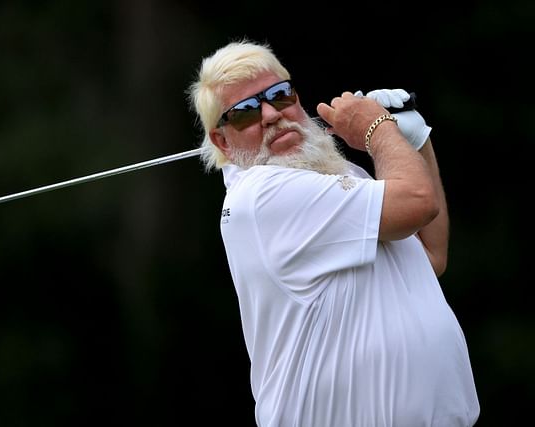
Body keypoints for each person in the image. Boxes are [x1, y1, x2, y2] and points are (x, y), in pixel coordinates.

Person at [187, 39, 480, 427]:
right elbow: (417, 201)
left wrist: (414, 141)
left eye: (279, 94)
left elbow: (429, 255)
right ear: (222, 140)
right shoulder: (261, 195)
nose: (272, 114)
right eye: (244, 112)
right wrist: (378, 129)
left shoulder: (338, 176)